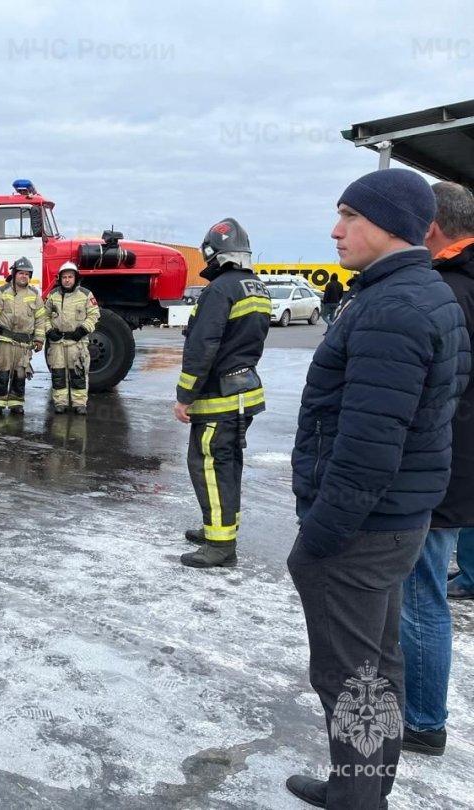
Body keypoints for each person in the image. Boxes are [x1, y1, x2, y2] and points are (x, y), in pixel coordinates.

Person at [285, 169, 469, 810]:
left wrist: (320, 538)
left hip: (362, 528)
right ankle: (358, 790)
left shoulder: (395, 307)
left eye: (350, 217)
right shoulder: (416, 293)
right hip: (397, 518)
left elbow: (369, 447)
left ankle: (358, 801)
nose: (336, 231)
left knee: (351, 678)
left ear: (390, 223)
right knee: (376, 668)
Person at [398, 181, 474, 757]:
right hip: (461, 463)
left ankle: (423, 719)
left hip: (443, 463)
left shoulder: (444, 289)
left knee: (419, 591)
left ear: (430, 226)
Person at [175, 219, 270, 569]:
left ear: (213, 254)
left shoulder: (219, 291)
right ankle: (220, 527)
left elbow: (202, 347)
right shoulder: (255, 287)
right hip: (244, 393)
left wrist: (184, 396)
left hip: (219, 397)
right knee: (228, 466)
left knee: (209, 466)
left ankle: (220, 545)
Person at [0, 257, 47, 415]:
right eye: (21, 273)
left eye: (27, 274)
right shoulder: (1, 292)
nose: (24, 276)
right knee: (2, 373)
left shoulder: (34, 294)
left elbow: (41, 319)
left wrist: (39, 339)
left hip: (24, 344)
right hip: (4, 341)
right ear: (14, 274)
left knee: (20, 375)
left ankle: (16, 403)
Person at [44, 261, 100, 415]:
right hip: (57, 342)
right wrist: (49, 331)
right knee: (58, 374)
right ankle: (60, 403)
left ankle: (79, 404)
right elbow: (43, 315)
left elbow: (94, 314)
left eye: (70, 277)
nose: (67, 280)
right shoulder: (52, 295)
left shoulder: (86, 295)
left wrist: (83, 330)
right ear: (60, 279)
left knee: (78, 373)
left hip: (78, 342)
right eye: (64, 277)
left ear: (76, 278)